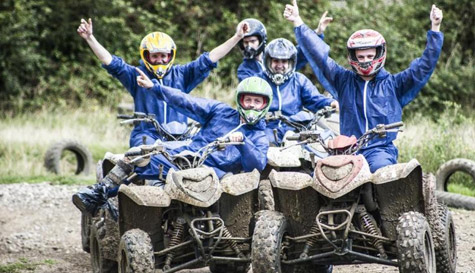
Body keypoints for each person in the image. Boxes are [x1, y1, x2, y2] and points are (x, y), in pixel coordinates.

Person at [72, 76, 273, 215]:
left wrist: (243, 143)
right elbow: (186, 101)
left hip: (215, 174)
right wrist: (155, 88)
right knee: (137, 154)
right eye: (248, 100)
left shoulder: (259, 135)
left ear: (265, 105)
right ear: (240, 100)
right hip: (185, 158)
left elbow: (256, 165)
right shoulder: (220, 111)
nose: (253, 105)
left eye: (258, 101)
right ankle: (100, 193)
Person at [284, 0, 444, 172]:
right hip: (347, 149)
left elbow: (423, 67)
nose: (366, 61)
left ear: (380, 53)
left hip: (380, 150)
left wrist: (435, 28)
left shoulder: (395, 84)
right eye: (361, 57)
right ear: (353, 57)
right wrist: (297, 22)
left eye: (370, 55)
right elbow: (319, 57)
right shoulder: (342, 80)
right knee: (323, 175)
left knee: (383, 172)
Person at [77, 18, 249, 147]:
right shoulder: (136, 75)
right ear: (146, 56)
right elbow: (112, 63)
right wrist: (90, 38)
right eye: (155, 55)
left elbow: (209, 59)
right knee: (136, 163)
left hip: (181, 135)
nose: (160, 60)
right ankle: (107, 189)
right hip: (147, 134)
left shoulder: (182, 74)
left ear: (170, 55)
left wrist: (236, 37)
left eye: (163, 55)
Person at [258, 37, 338, 145]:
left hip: (294, 127)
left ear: (291, 62)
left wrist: (331, 103)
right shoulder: (258, 81)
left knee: (323, 142)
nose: (280, 65)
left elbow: (314, 99)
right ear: (268, 61)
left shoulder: (299, 80)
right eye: (276, 60)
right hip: (267, 129)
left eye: (284, 61)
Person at [236, 14, 336, 97]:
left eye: (253, 41)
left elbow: (302, 52)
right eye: (246, 42)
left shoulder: (276, 56)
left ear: (261, 40)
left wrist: (317, 33)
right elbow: (251, 93)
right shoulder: (244, 70)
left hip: (290, 108)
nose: (249, 46)